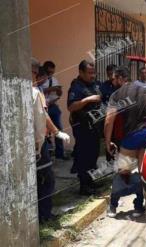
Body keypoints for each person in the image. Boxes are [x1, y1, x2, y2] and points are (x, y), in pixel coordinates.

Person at [104, 66, 146, 218]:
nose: (113, 82)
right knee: (142, 172)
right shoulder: (144, 90)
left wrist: (107, 143)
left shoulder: (117, 94)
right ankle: (139, 207)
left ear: (120, 78)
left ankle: (113, 206)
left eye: (114, 79)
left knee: (123, 171)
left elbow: (108, 120)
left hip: (132, 136)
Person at [32, 58, 70, 222]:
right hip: (37, 147)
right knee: (47, 180)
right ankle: (44, 216)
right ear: (34, 73)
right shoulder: (34, 92)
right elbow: (43, 115)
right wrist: (56, 132)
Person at [67, 60, 103, 195]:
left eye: (94, 73)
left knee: (93, 155)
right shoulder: (77, 87)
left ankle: (91, 181)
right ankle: (83, 186)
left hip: (94, 127)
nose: (92, 75)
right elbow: (70, 106)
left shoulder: (94, 85)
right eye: (89, 73)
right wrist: (87, 100)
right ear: (81, 72)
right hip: (82, 127)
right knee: (84, 156)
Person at [41, 61, 67, 160]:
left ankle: (60, 153)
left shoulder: (55, 80)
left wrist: (59, 91)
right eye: (49, 72)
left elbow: (59, 94)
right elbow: (39, 91)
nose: (51, 74)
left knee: (58, 129)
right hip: (43, 107)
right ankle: (46, 154)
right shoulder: (41, 80)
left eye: (52, 72)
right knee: (44, 131)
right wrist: (50, 88)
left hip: (53, 106)